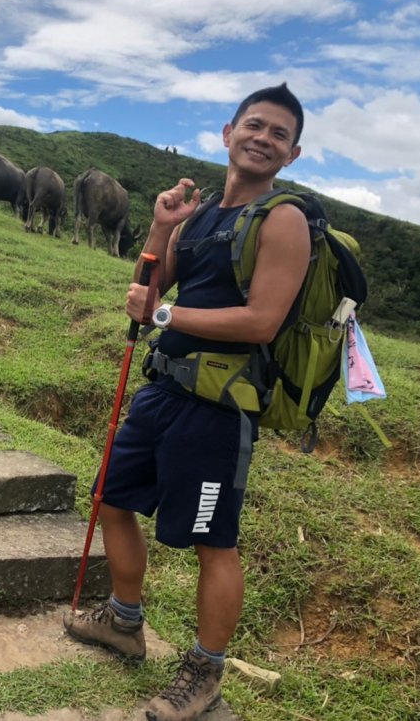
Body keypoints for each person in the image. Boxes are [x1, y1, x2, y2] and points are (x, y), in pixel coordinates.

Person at [64, 83, 312, 721]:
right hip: (162, 390)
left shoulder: (282, 221)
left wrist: (164, 312)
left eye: (278, 134)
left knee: (213, 542)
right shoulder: (200, 216)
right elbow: (154, 281)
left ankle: (204, 675)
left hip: (217, 409)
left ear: (293, 153)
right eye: (253, 125)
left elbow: (262, 320)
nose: (262, 138)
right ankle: (123, 621)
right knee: (112, 500)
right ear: (226, 133)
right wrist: (161, 225)